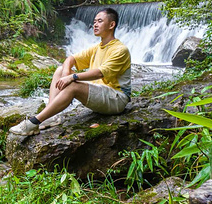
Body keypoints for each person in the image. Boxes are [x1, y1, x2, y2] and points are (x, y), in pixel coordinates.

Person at [9, 7, 131, 136]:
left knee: (72, 85)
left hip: (116, 98)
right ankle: (51, 116)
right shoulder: (97, 47)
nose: (95, 24)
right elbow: (71, 59)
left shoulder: (120, 50)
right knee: (60, 70)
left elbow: (100, 73)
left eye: (99, 21)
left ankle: (33, 123)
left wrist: (72, 77)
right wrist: (66, 73)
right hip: (100, 93)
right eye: (94, 21)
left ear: (112, 25)